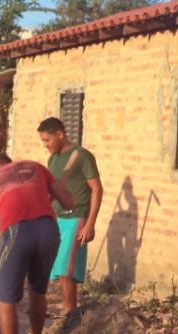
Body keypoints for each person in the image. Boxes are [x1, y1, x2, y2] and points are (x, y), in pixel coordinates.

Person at [0, 155, 74, 334]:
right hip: (49, 230)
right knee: (37, 291)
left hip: (16, 233)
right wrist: (52, 200)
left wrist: (0, 259)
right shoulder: (36, 167)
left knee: (6, 299)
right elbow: (69, 204)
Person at [38, 117, 103, 314]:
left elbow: (97, 189)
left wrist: (90, 223)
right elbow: (52, 191)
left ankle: (70, 312)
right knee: (57, 268)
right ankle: (69, 308)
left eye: (47, 140)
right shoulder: (53, 160)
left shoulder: (82, 156)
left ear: (60, 134)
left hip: (76, 216)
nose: (45, 145)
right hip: (58, 218)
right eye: (43, 141)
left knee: (66, 268)